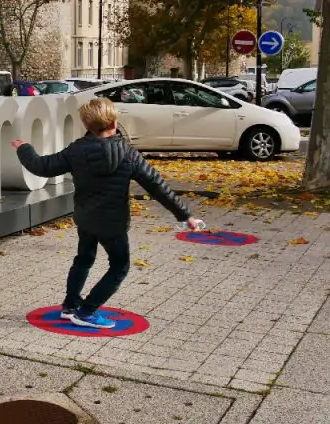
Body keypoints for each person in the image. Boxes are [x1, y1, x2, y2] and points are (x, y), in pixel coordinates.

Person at [11, 97, 204, 329]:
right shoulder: (128, 154)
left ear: (87, 126)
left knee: (83, 259)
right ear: (114, 124)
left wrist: (24, 148)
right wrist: (185, 215)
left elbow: (41, 166)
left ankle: (70, 305)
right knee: (119, 266)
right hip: (113, 224)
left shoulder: (76, 151)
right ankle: (87, 311)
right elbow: (157, 186)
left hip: (85, 218)